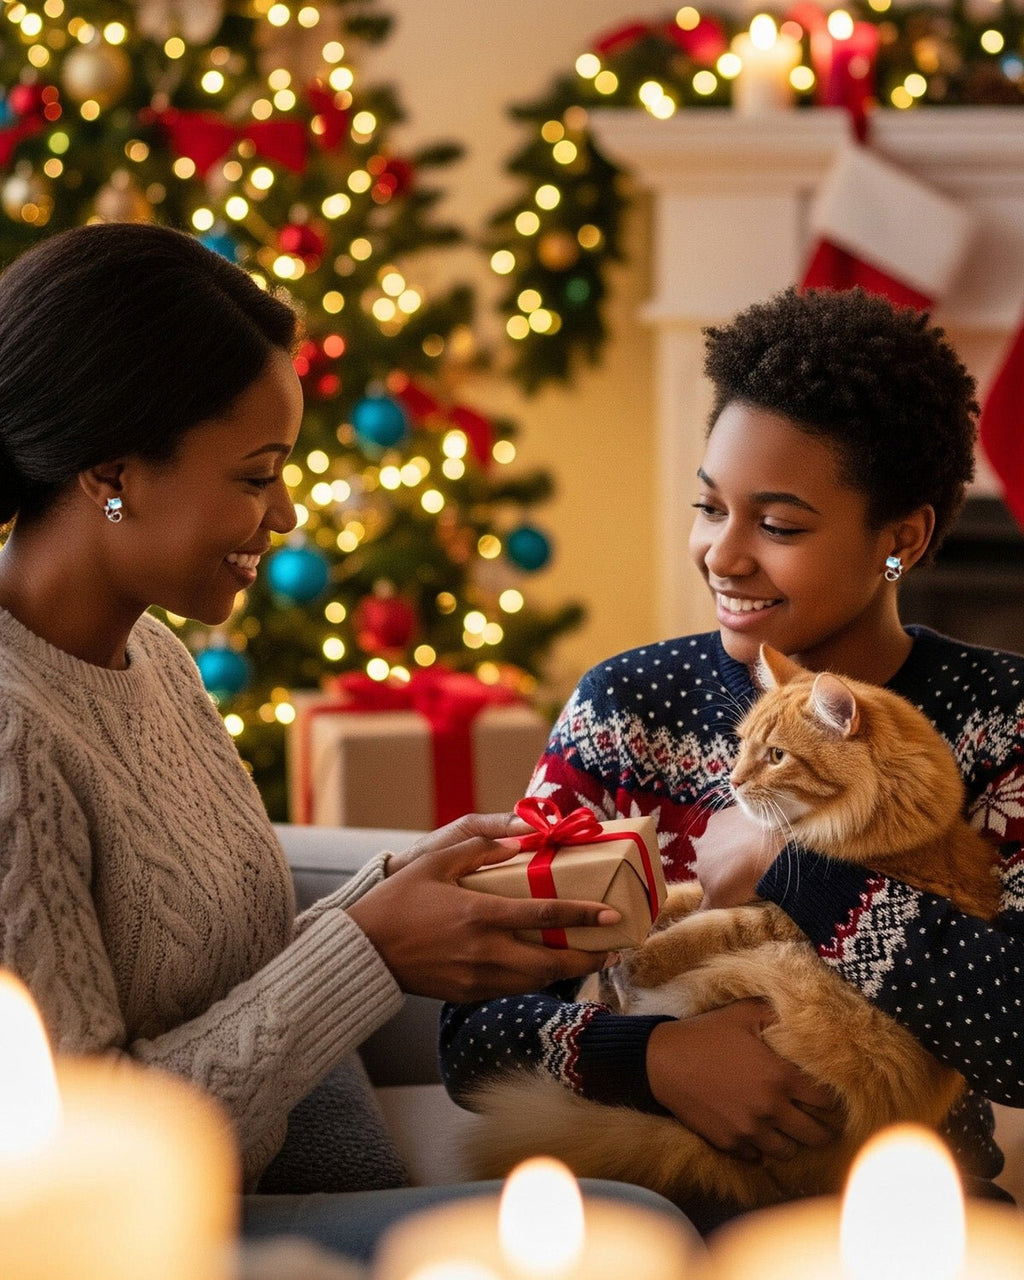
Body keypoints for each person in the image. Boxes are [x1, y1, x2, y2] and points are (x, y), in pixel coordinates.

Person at [0, 222, 697, 1260]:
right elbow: (82, 1155)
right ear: (118, 473)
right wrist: (367, 945)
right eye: (252, 475)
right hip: (133, 1225)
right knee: (625, 1227)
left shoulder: (149, 654)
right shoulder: (15, 734)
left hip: (269, 1135)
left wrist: (402, 888)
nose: (282, 515)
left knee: (660, 1084)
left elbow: (224, 945)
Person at [440, 286, 1024, 1232]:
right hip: (645, 1208)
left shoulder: (1002, 723)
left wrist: (799, 875)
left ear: (901, 540)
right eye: (710, 507)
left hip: (908, 1221)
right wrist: (657, 1060)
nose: (724, 555)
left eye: (780, 526)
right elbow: (473, 1035)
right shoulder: (627, 707)